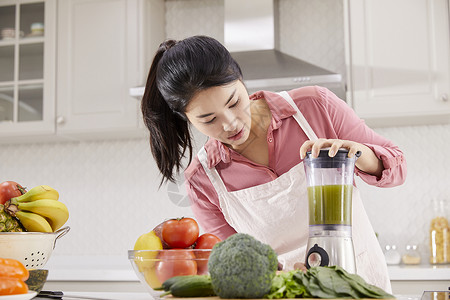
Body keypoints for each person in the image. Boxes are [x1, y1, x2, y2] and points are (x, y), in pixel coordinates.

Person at [141, 35, 406, 292]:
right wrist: (284, 277)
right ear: (185, 117)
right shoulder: (203, 180)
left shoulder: (315, 107)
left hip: (363, 286)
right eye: (209, 120)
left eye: (234, 102)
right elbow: (235, 263)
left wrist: (358, 154)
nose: (230, 123)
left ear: (241, 79)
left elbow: (398, 169)